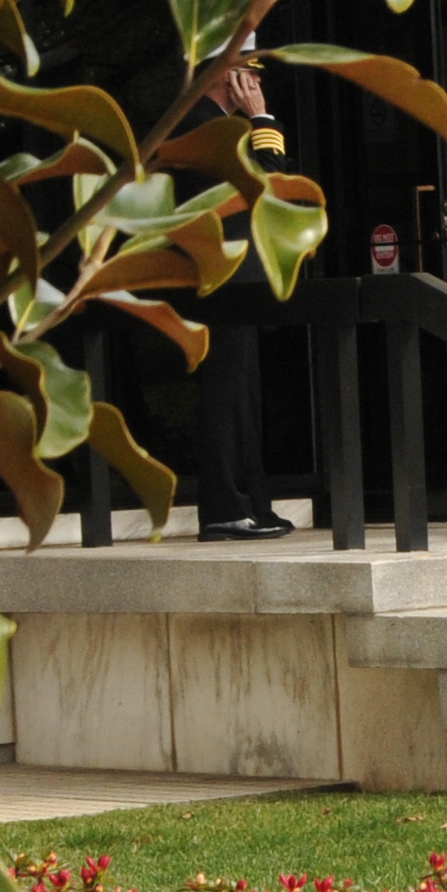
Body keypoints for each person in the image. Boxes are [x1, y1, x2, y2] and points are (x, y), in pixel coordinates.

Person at [192, 49, 291, 541]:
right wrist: (262, 119)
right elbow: (272, 179)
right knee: (226, 395)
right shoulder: (203, 125)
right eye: (248, 77)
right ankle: (223, 509)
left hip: (237, 278)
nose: (254, 86)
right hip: (218, 277)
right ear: (226, 76)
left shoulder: (220, 126)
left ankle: (252, 503)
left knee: (244, 397)